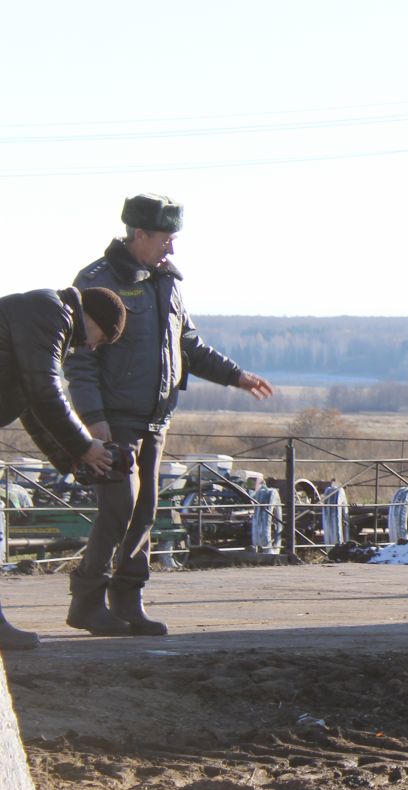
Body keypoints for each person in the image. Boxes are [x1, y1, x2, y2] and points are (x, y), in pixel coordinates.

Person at [65, 194, 274, 637]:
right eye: (165, 239)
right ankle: (87, 600)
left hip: (156, 419)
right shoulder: (96, 282)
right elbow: (79, 358)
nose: (171, 249)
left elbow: (190, 348)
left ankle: (127, 598)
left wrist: (237, 376)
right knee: (118, 507)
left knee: (144, 510)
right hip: (114, 420)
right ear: (139, 234)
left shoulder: (169, 284)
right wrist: (94, 419)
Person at [0, 286, 129, 650]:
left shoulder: (40, 315)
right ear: (91, 319)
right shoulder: (49, 313)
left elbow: (30, 405)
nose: (91, 347)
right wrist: (85, 446)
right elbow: (45, 390)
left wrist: (71, 459)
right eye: (99, 338)